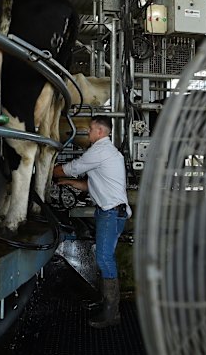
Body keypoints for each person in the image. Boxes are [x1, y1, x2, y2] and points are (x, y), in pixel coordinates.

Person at [53, 115, 131, 329]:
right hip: (112, 212)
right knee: (105, 257)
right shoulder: (108, 153)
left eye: (90, 129)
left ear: (100, 131)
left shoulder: (100, 150)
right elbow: (92, 186)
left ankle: (111, 312)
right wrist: (68, 182)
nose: (87, 132)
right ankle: (106, 302)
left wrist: (50, 170)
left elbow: (72, 167)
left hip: (110, 214)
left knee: (104, 258)